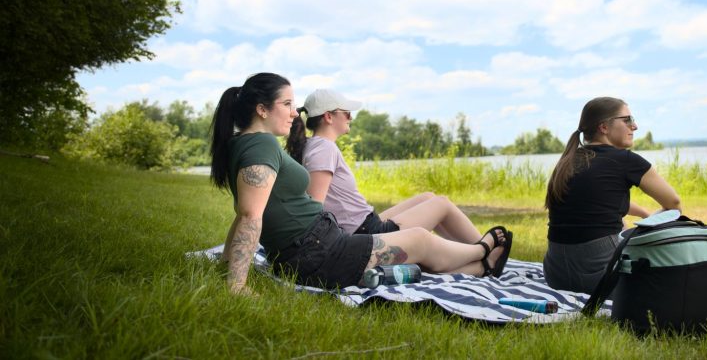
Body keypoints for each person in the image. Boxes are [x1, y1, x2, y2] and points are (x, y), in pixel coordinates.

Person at [209, 73, 512, 295]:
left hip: (319, 245)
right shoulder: (260, 145)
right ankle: (481, 251)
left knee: (419, 244)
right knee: (420, 239)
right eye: (286, 103)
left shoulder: (246, 144)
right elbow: (250, 215)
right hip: (317, 252)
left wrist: (227, 263)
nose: (293, 112)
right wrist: (236, 284)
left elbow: (244, 211)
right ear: (262, 109)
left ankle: (481, 267)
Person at [284, 89, 482, 243]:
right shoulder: (324, 149)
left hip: (366, 223)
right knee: (442, 204)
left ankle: (470, 251)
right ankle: (486, 250)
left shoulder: (315, 146)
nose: (351, 117)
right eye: (346, 113)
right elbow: (315, 207)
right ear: (328, 117)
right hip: (366, 233)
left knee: (429, 198)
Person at [543, 97, 681, 294]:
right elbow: (673, 203)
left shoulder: (568, 160)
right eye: (627, 119)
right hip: (601, 280)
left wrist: (643, 213)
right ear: (604, 127)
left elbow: (595, 202)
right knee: (674, 216)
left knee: (618, 222)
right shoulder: (625, 160)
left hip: (556, 275)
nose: (635, 126)